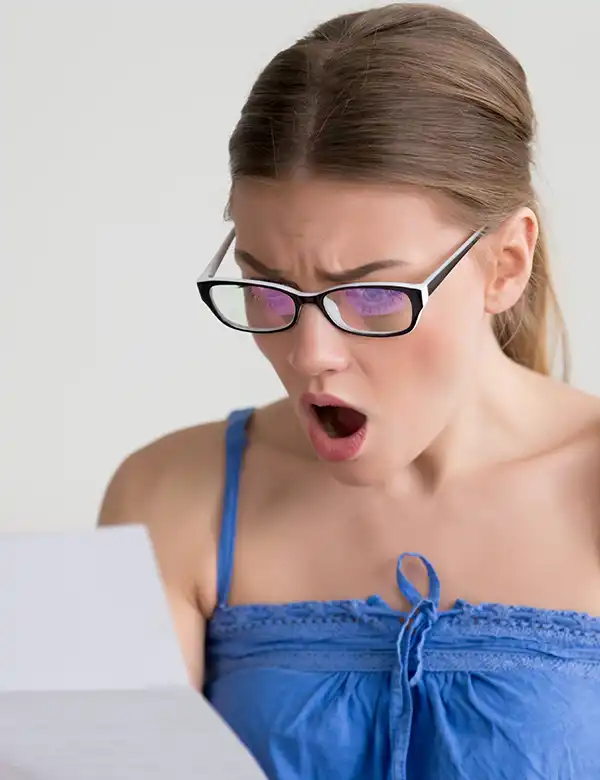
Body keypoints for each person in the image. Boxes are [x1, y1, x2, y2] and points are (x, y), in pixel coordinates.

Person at [98, 3, 600, 778]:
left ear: (505, 264)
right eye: (265, 286)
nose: (309, 355)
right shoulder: (172, 497)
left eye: (370, 296)